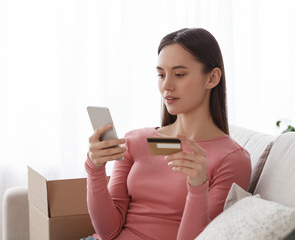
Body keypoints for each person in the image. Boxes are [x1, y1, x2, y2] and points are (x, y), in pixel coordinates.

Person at [84, 28, 251, 240]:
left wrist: (198, 187)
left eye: (179, 74)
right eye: (161, 75)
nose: (166, 86)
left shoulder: (232, 159)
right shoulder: (135, 141)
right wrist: (95, 168)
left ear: (212, 78)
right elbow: (108, 232)